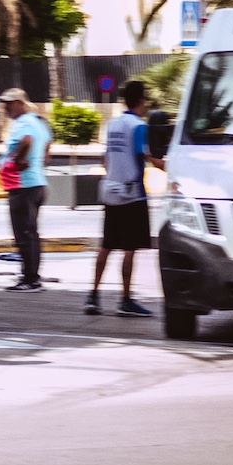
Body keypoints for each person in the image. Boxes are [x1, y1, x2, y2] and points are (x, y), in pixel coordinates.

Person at [85, 79, 165, 317]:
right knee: (130, 248)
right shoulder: (138, 126)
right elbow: (147, 156)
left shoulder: (113, 124)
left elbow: (106, 158)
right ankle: (126, 299)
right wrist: (170, 167)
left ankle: (93, 296)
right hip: (132, 195)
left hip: (111, 192)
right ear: (141, 100)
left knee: (107, 245)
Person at [0, 88, 52, 291]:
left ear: (20, 103)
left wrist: (19, 160)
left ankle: (30, 279)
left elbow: (26, 140)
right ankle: (32, 275)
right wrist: (39, 164)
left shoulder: (23, 123)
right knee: (31, 233)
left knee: (24, 234)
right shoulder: (38, 122)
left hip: (22, 186)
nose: (5, 108)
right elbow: (47, 145)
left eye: (9, 104)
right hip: (36, 184)